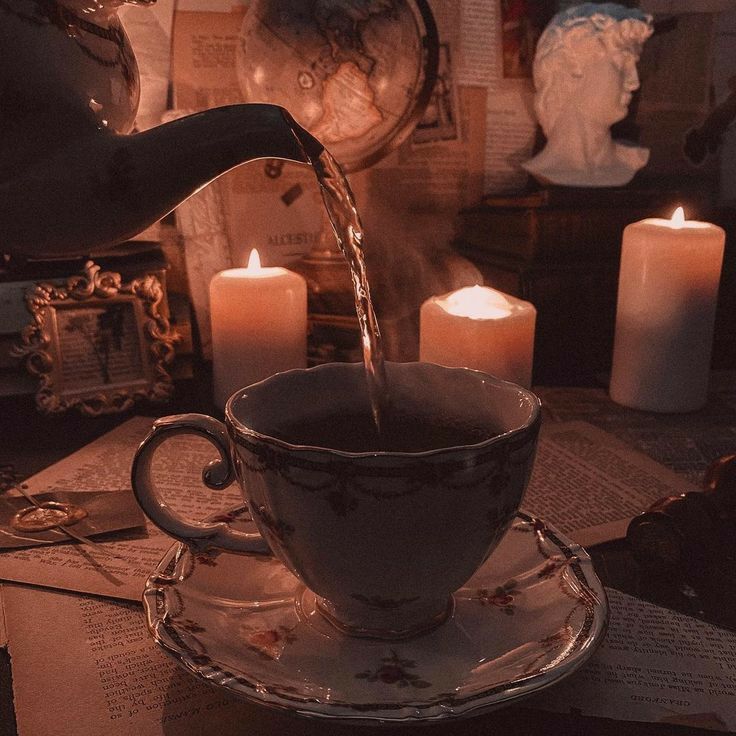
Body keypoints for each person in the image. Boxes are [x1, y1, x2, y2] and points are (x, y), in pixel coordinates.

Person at [522, 3, 653, 188]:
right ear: (572, 71)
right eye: (621, 65)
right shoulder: (545, 171)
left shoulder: (631, 160)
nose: (634, 82)